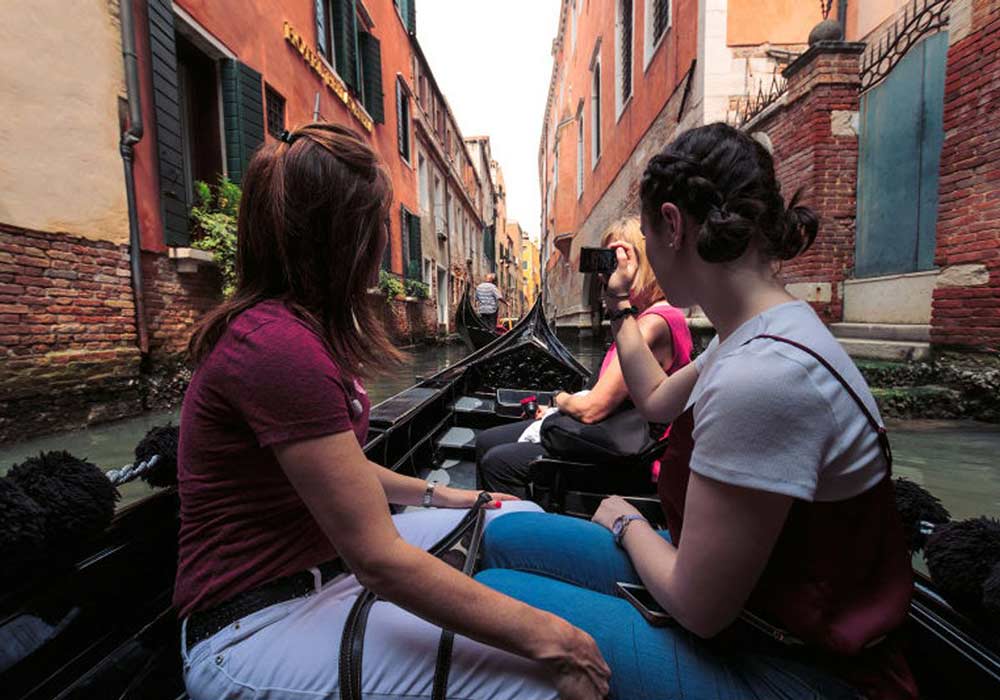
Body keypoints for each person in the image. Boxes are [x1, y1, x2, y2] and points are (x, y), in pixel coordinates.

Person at [476, 123, 916, 699]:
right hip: (755, 615)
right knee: (508, 538)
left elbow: (698, 608)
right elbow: (657, 400)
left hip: (801, 668)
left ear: (674, 226)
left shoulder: (761, 377)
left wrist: (627, 521)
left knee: (495, 594)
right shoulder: (760, 333)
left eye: (648, 235)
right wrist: (616, 302)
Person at [175, 123, 609, 700]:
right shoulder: (276, 346)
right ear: (345, 238)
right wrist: (562, 643)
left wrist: (461, 496)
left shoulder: (302, 335)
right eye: (378, 224)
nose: (384, 241)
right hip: (253, 628)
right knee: (539, 684)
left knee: (505, 517)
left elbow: (346, 471)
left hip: (329, 571)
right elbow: (379, 560)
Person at [476, 216, 692, 500]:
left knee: (497, 462)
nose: (606, 271)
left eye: (616, 260)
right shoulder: (643, 317)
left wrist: (559, 401)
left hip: (633, 453)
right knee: (485, 440)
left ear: (643, 263)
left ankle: (521, 532)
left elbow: (593, 409)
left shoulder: (653, 323)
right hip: (618, 433)